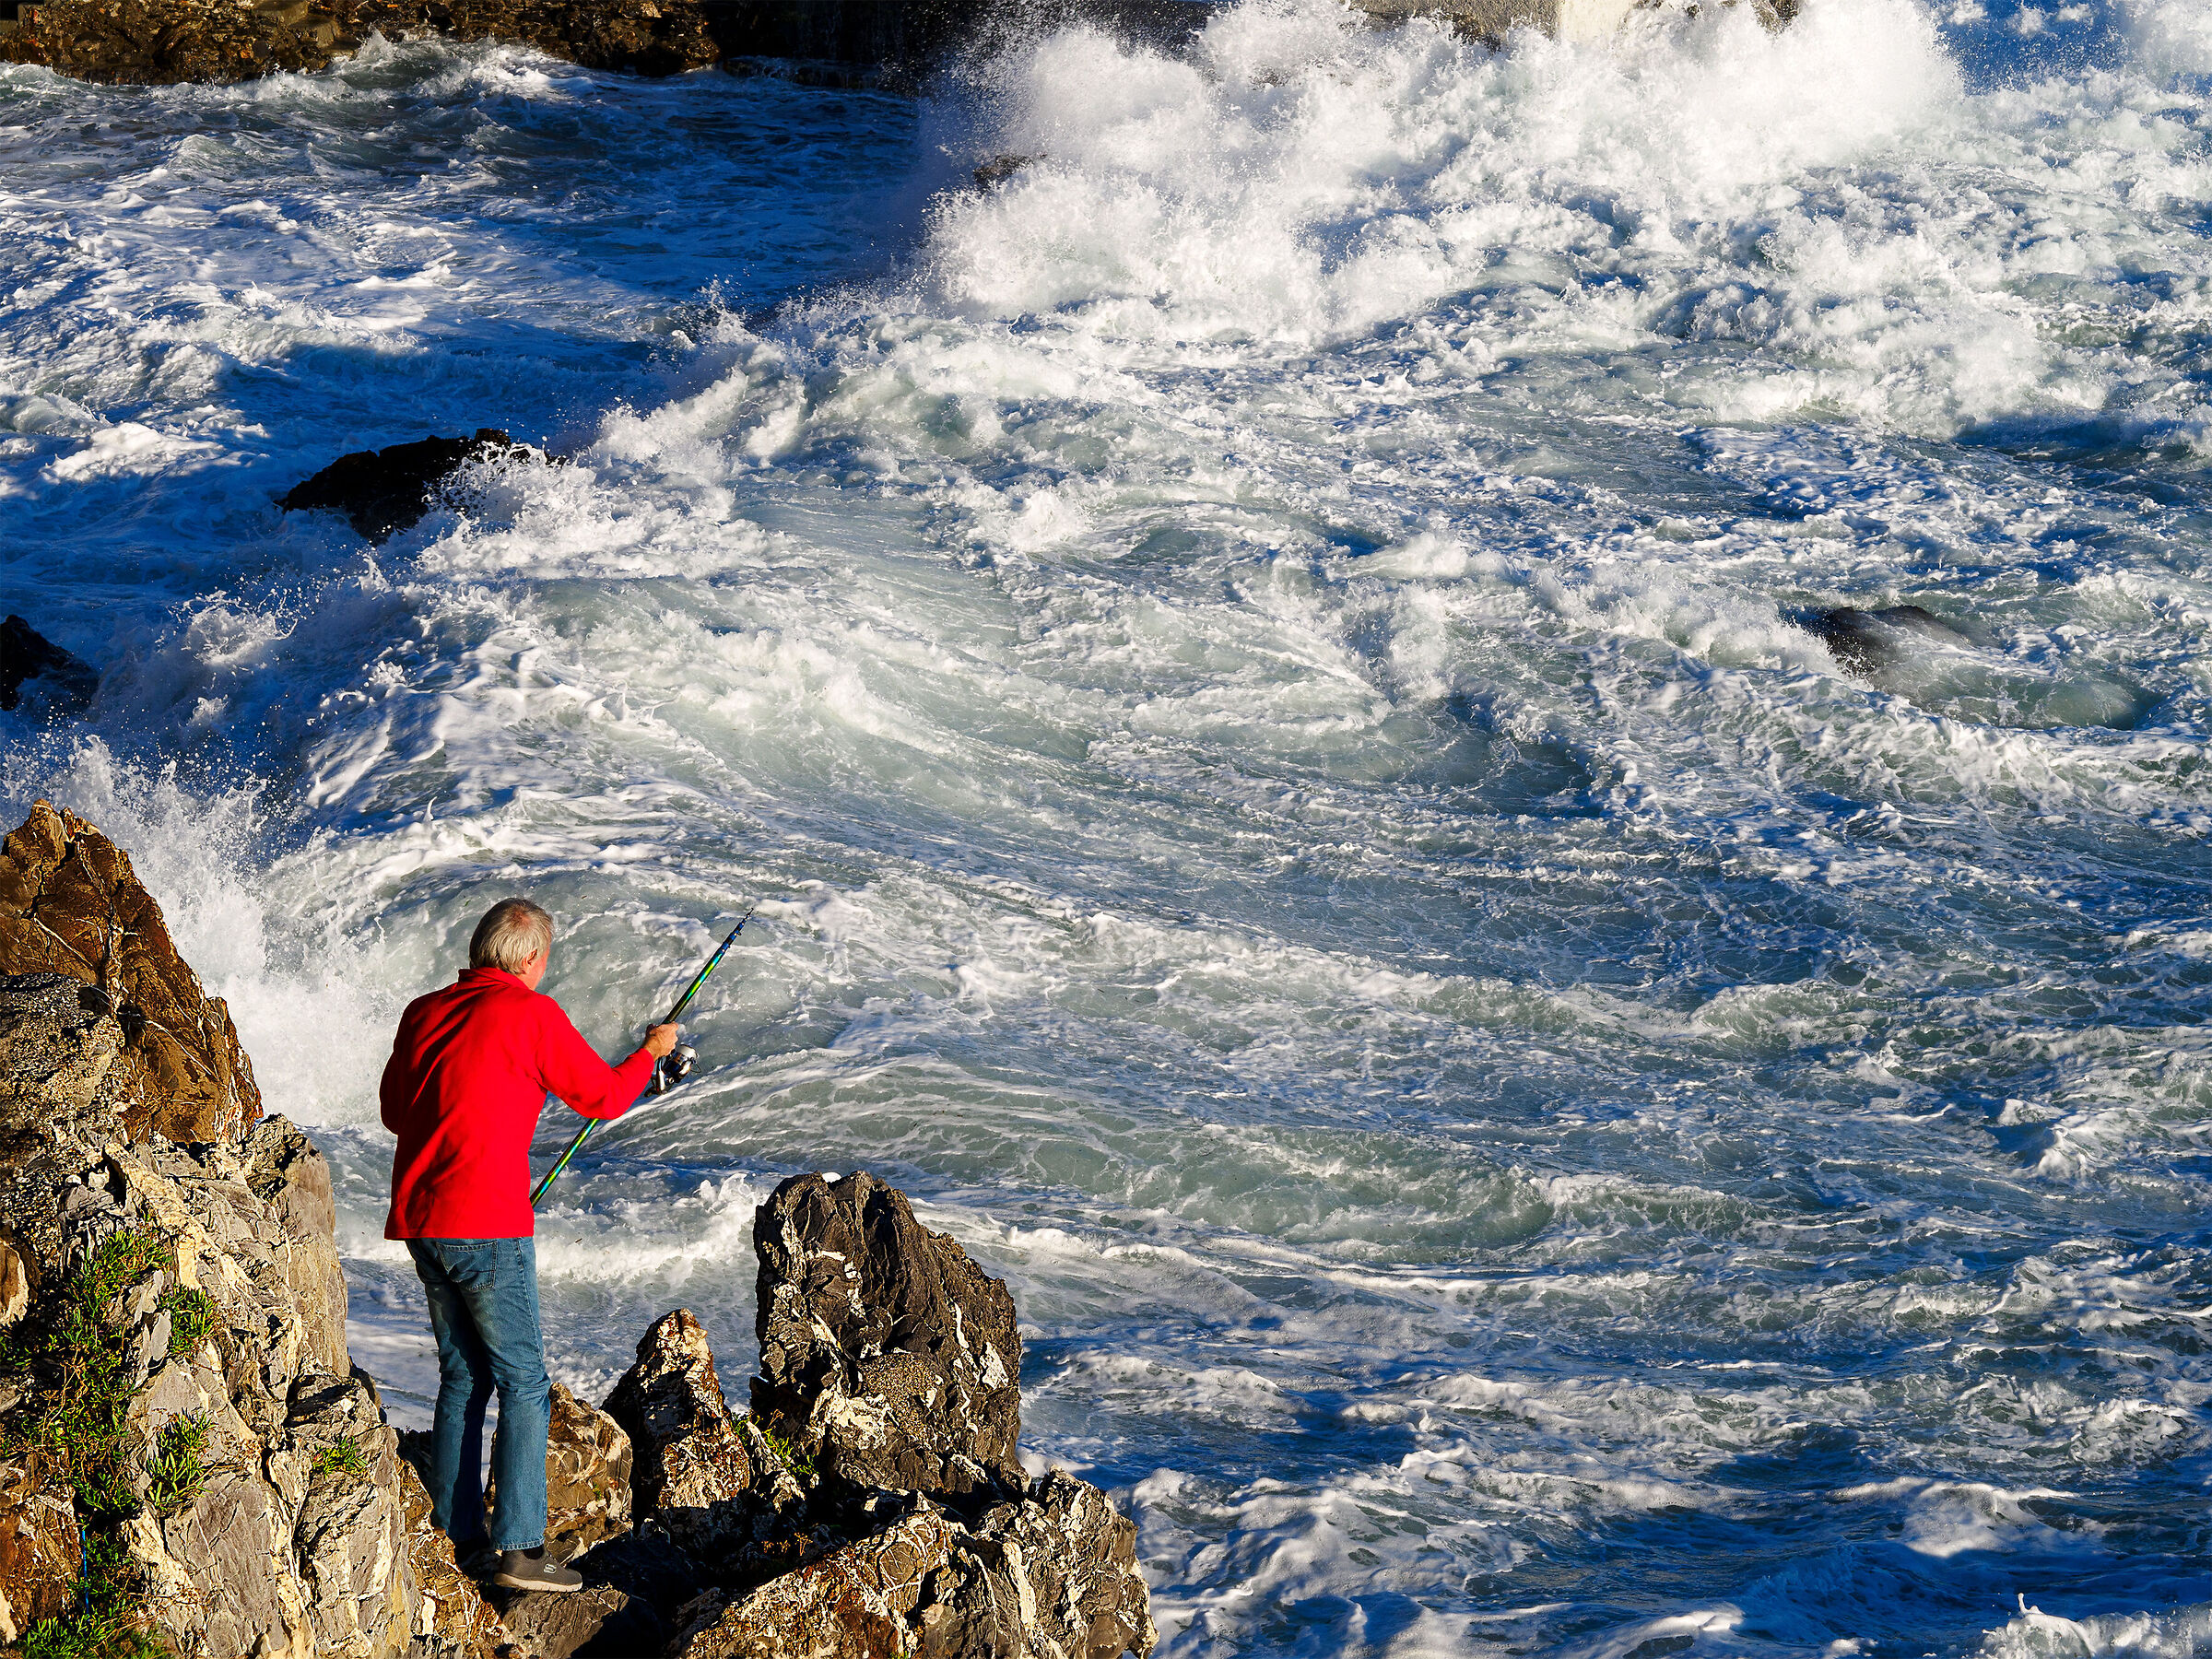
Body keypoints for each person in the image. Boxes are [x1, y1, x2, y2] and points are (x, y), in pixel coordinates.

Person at [380, 897, 678, 1594]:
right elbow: (603, 1099)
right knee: (523, 1381)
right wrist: (650, 1054)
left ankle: (454, 1536)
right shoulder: (531, 1012)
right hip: (485, 1224)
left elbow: (399, 1112)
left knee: (465, 1377)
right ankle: (517, 1550)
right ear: (530, 960)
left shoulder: (423, 1012)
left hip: (423, 1221)